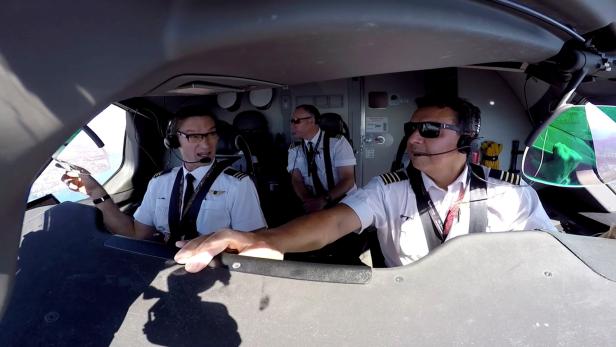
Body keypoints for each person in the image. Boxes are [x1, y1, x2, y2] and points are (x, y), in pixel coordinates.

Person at [174, 95, 557, 272]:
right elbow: (337, 222)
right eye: (411, 129)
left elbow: (544, 256)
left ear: (466, 137)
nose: (414, 139)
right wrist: (266, 240)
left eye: (429, 130)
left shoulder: (512, 194)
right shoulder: (388, 189)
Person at [61, 106, 267, 244]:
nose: (206, 144)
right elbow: (135, 233)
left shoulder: (237, 185)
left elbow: (255, 245)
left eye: (211, 134)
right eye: (194, 136)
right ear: (173, 141)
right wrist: (95, 190)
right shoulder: (160, 183)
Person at [287, 104, 357, 213]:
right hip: (313, 202)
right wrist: (308, 201)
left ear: (311, 120)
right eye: (291, 121)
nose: (292, 125)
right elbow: (296, 179)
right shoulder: (295, 149)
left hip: (343, 201)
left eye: (296, 121)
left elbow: (348, 180)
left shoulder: (338, 142)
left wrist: (323, 200)